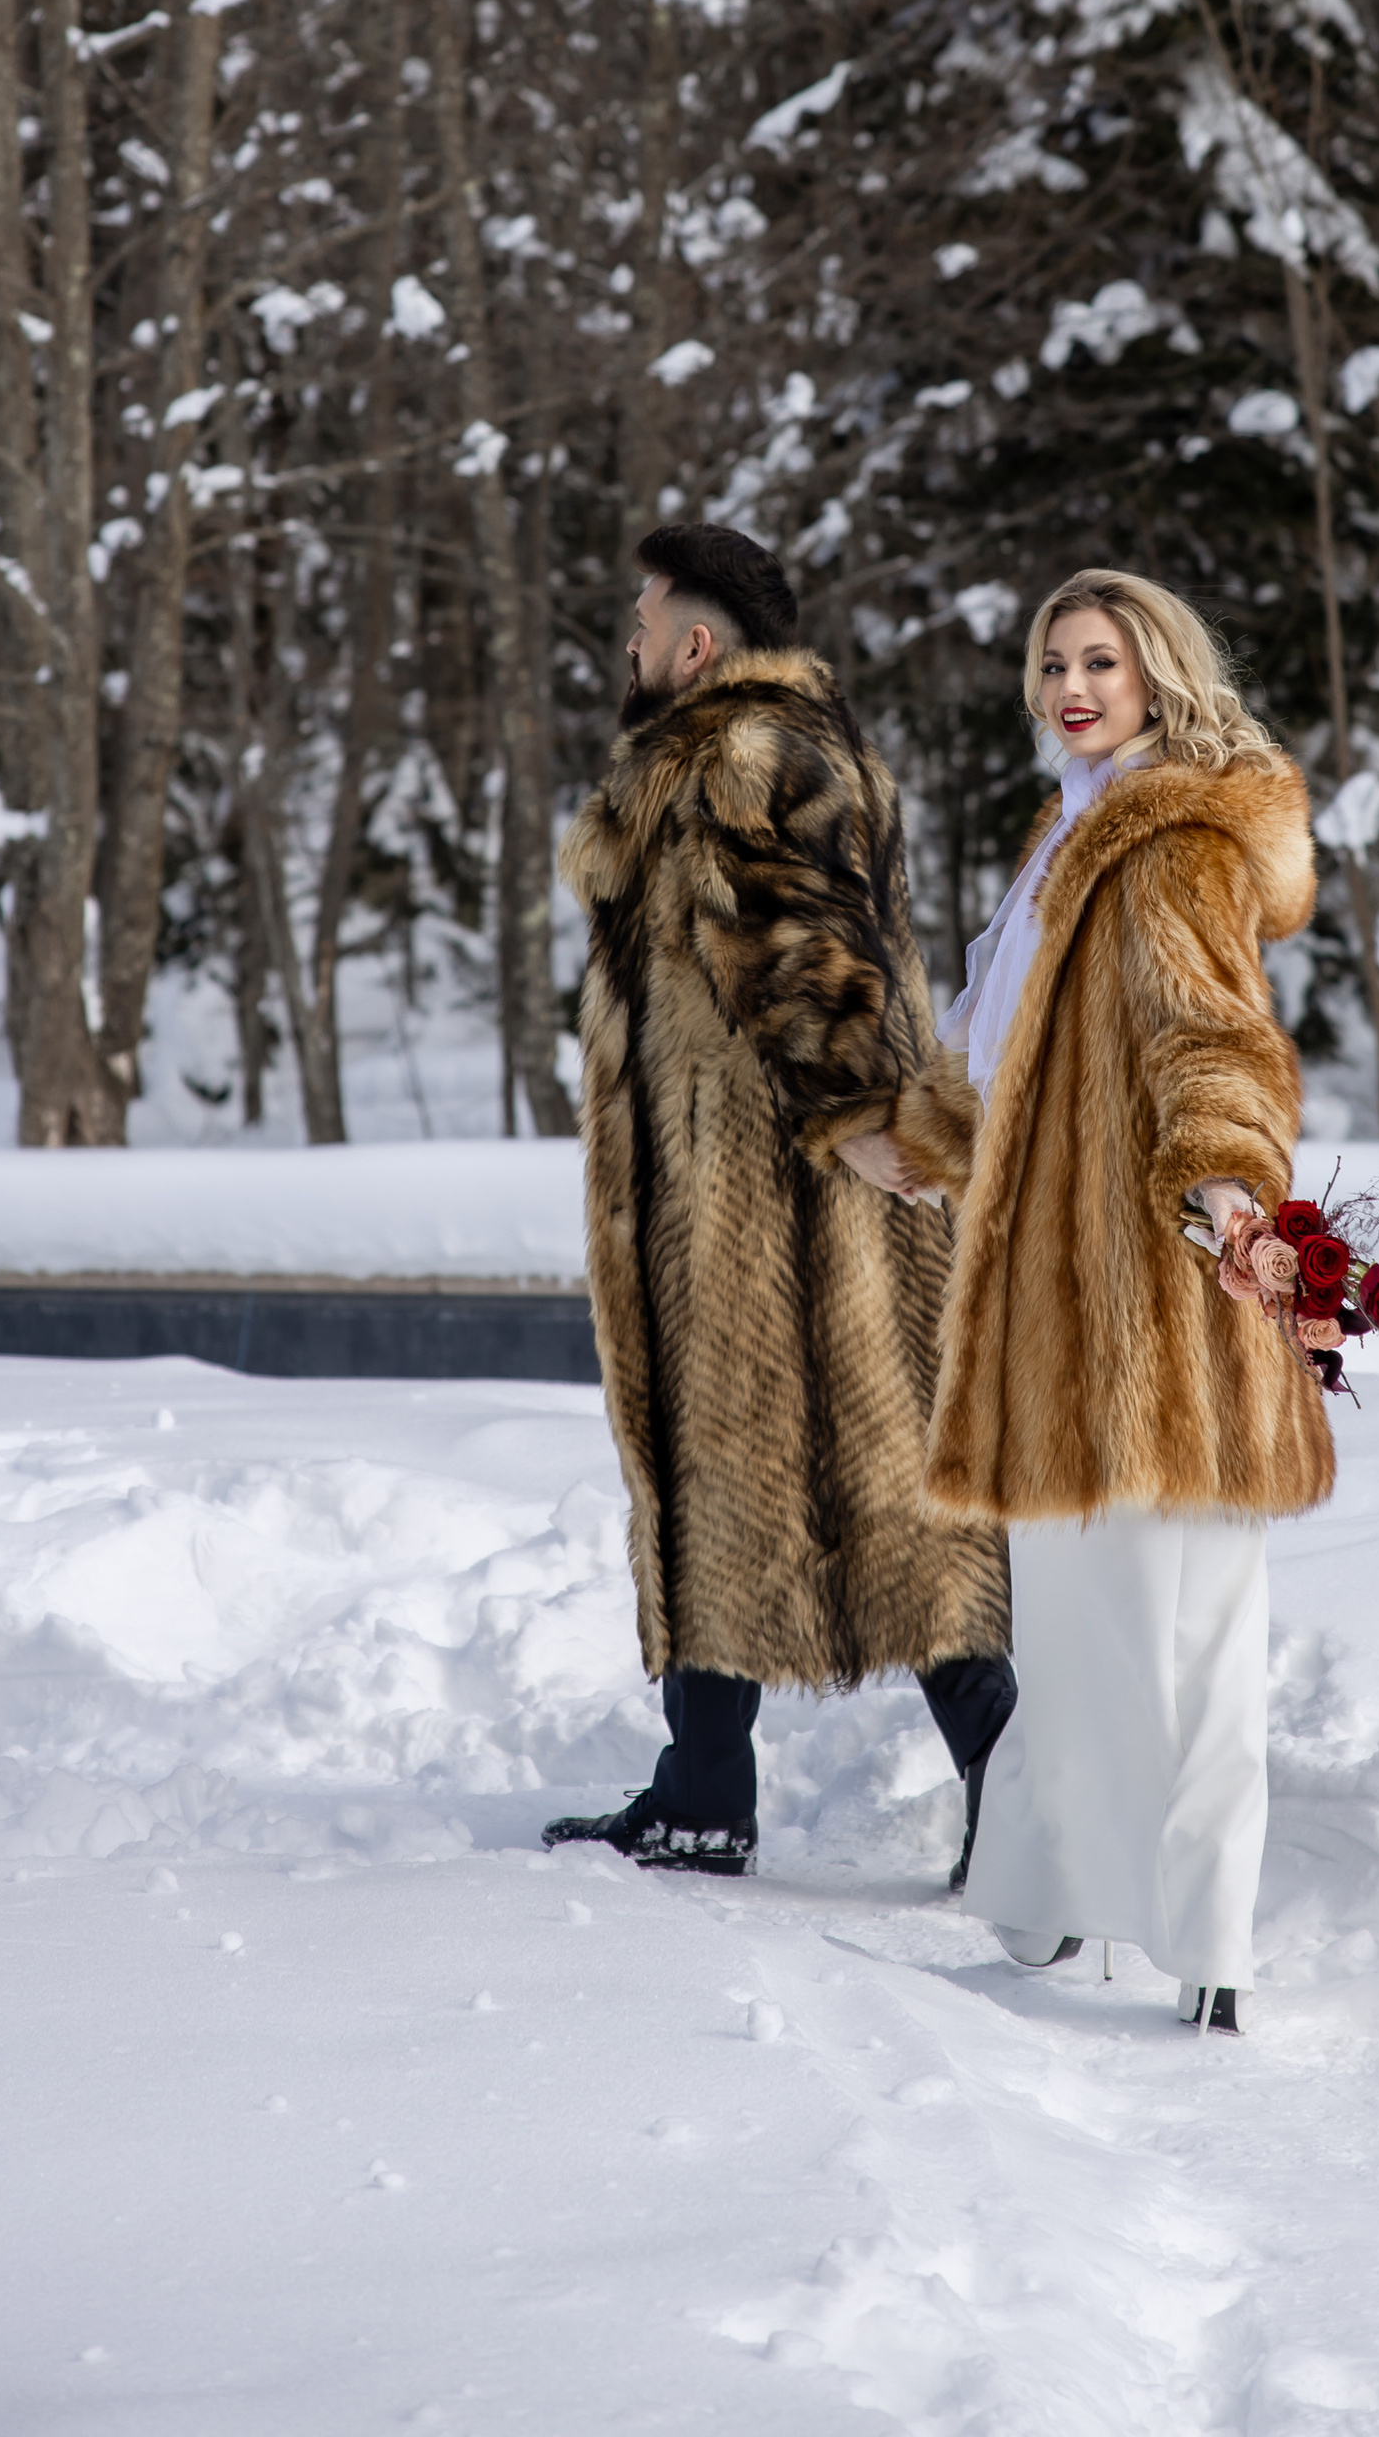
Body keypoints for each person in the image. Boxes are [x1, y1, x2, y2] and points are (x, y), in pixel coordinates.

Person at [542, 521, 1015, 1877]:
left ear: (697, 644)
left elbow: (812, 951)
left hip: (779, 1197)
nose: (628, 646)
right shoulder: (766, 749)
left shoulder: (741, 754)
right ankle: (704, 1786)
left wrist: (861, 1115)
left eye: (643, 624)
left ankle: (1021, 1787)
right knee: (733, 1477)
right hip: (735, 1191)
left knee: (885, 1496)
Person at [911, 569, 1329, 2034]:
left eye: (1100, 660)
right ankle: (1053, 1903)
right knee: (1078, 1634)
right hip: (1058, 1311)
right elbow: (996, 1061)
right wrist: (893, 1137)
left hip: (1164, 1293)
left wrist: (1228, 1186)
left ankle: (1209, 1939)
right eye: (1051, 663)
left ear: (1159, 672)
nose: (1071, 686)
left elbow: (1212, 1035)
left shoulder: (1162, 847)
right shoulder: (1066, 840)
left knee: (1196, 1631)